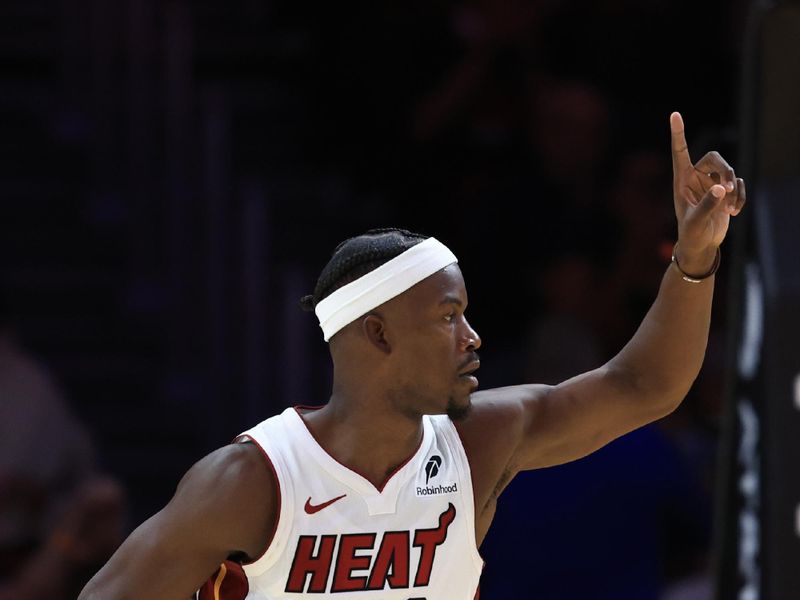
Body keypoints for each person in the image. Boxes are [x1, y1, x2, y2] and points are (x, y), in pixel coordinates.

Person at [78, 112, 745, 599]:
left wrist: (695, 258)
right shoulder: (252, 481)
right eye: (449, 317)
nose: (473, 337)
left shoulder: (482, 439)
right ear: (377, 333)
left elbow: (642, 385)